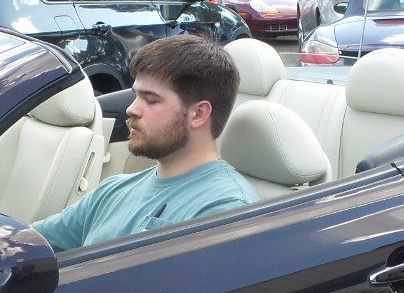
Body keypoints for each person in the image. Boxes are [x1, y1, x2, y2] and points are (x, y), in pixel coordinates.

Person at [32, 34, 258, 251]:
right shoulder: (113, 191)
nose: (131, 109)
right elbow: (30, 243)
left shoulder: (226, 210)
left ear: (198, 114)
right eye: (136, 95)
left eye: (150, 100)